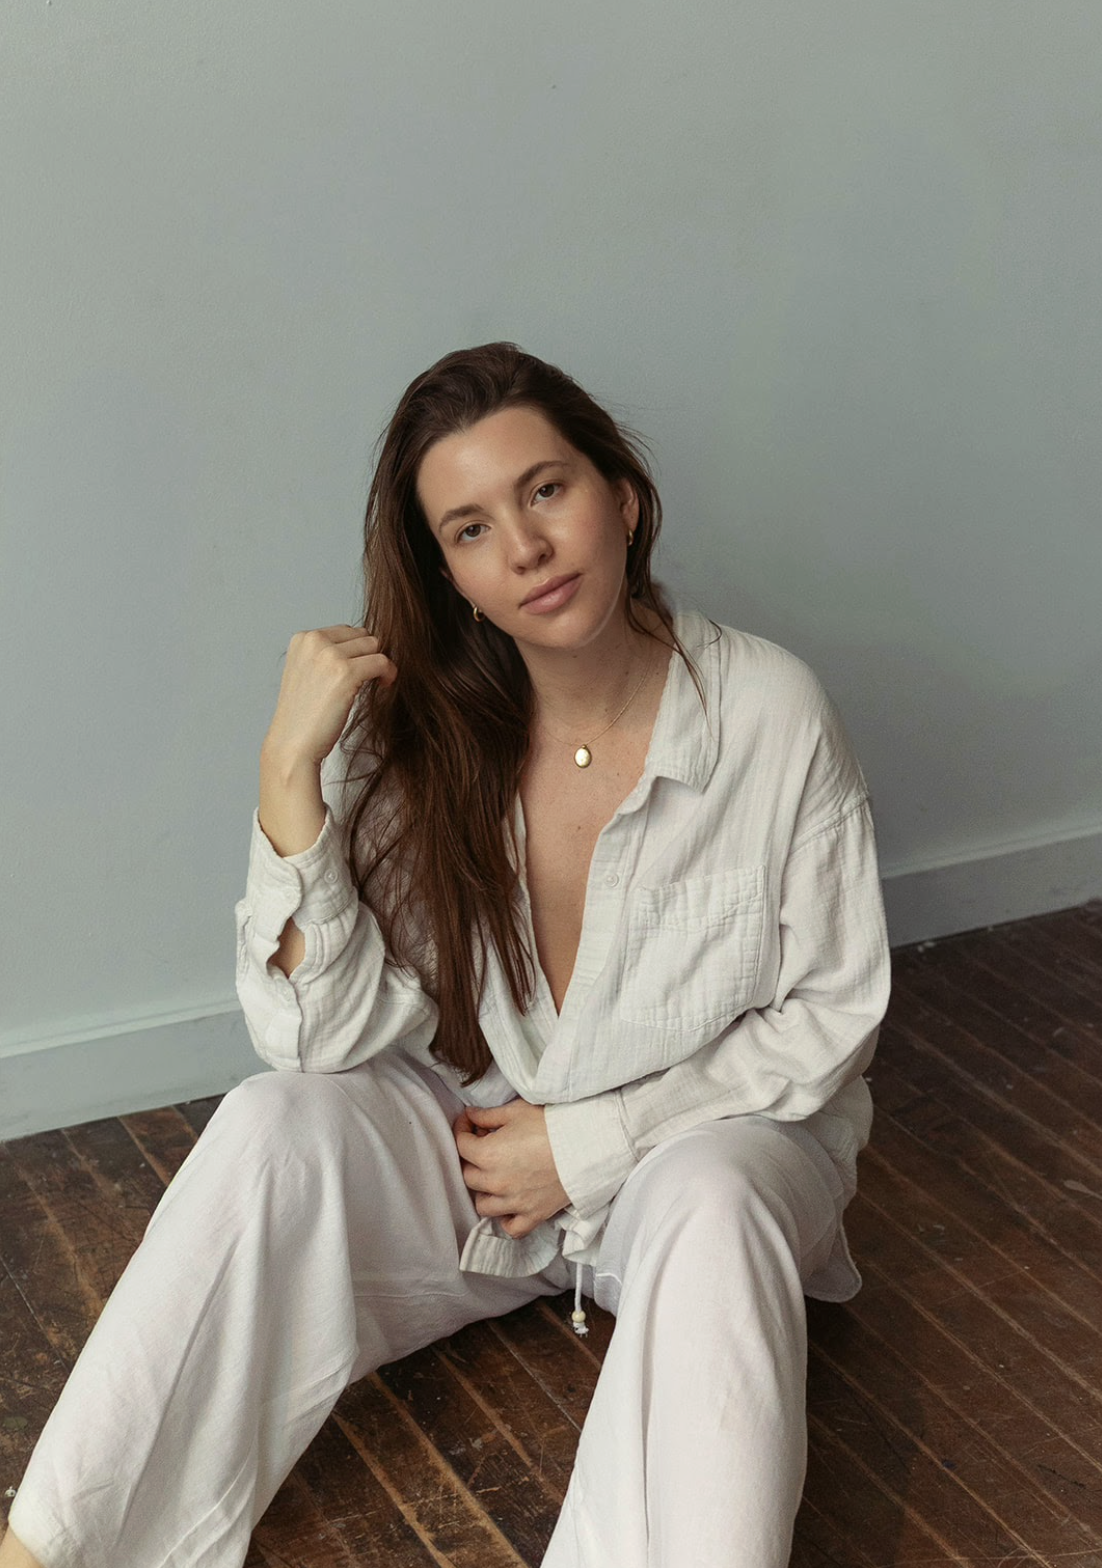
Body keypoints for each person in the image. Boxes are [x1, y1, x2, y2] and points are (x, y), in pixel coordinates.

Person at [2, 342, 891, 1568]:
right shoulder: (419, 738)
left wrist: (583, 1146)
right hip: (479, 1164)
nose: (524, 547)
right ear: (451, 576)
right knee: (274, 1121)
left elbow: (832, 1017)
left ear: (620, 497)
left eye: (544, 490)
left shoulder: (770, 715)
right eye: (470, 528)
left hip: (697, 1155)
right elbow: (317, 1039)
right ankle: (60, 1549)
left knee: (718, 1194)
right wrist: (286, 777)